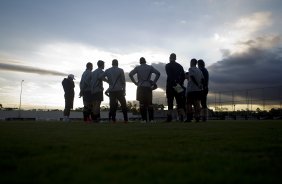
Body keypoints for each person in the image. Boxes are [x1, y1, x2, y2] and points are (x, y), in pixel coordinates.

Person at [129, 57, 160, 122]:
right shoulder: (150, 67)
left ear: (140, 62)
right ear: (145, 61)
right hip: (148, 87)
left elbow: (130, 74)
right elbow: (158, 73)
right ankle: (151, 120)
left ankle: (144, 120)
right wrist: (154, 82)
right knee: (150, 104)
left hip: (140, 87)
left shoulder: (137, 68)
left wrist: (135, 82)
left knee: (142, 104)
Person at [165, 53, 186, 122]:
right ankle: (182, 117)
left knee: (170, 102)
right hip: (178, 86)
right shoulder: (180, 66)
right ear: (175, 58)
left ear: (170, 57)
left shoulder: (167, 66)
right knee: (180, 102)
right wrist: (180, 83)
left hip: (170, 85)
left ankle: (169, 118)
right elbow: (183, 76)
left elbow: (170, 75)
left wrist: (174, 82)